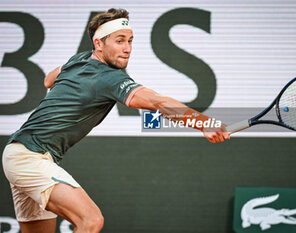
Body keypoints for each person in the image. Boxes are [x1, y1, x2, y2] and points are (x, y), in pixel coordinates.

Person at [2, 8, 230, 233]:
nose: (127, 48)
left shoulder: (79, 59)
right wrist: (205, 123)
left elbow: (48, 79)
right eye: (119, 41)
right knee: (91, 221)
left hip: (18, 153)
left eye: (130, 41)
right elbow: (158, 102)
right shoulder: (111, 78)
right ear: (99, 44)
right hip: (30, 158)